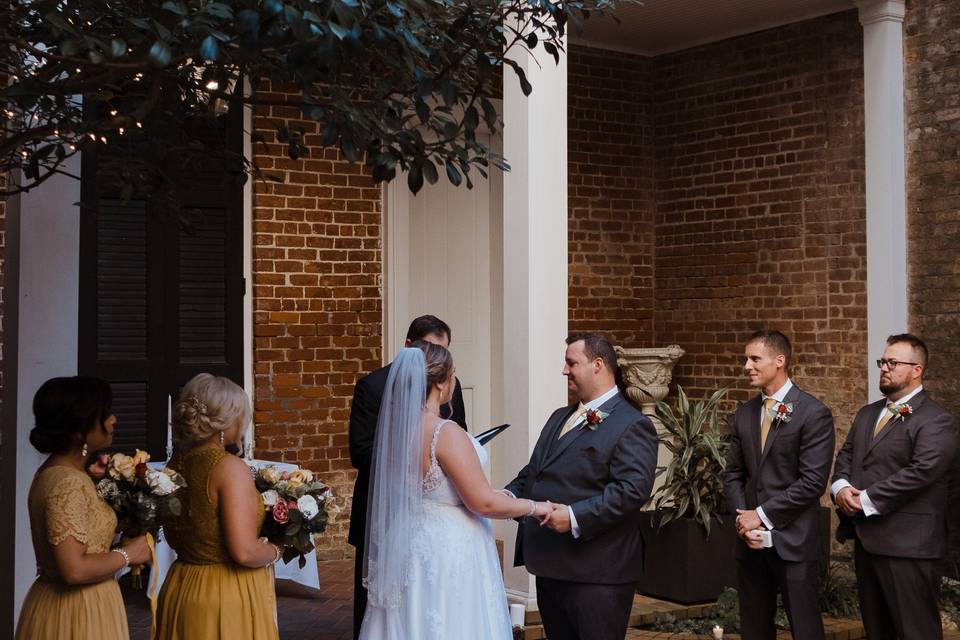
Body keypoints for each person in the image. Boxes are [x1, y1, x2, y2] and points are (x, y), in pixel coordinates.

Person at [358, 341, 550, 639]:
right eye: (453, 374)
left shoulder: (395, 432)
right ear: (438, 383)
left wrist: (506, 496)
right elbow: (481, 503)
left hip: (409, 541)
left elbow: (446, 492)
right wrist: (535, 507)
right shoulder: (445, 432)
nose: (454, 382)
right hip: (448, 550)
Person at [504, 333, 658, 640]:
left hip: (597, 572)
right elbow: (535, 472)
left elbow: (632, 490)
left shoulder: (632, 424)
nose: (565, 370)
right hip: (551, 564)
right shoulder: (560, 416)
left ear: (598, 365)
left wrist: (575, 516)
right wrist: (507, 496)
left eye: (572, 362)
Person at [348, 314, 467, 638]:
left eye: (443, 353)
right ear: (408, 346)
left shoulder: (448, 385)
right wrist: (412, 455)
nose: (437, 363)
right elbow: (361, 451)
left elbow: (461, 435)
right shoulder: (373, 386)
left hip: (434, 514)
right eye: (430, 350)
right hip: (383, 508)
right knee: (375, 599)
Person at [832, 333, 958, 640]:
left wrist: (867, 499)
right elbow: (846, 456)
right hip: (867, 542)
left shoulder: (936, 420)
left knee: (915, 633)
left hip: (909, 549)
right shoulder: (866, 414)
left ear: (917, 370)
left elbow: (923, 471)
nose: (884, 368)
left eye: (893, 362)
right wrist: (840, 488)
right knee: (878, 631)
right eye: (883, 361)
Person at [16, 376, 150, 640]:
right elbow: (73, 569)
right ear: (80, 431)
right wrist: (128, 554)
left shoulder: (60, 473)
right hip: (76, 612)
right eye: (106, 413)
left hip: (77, 603)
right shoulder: (68, 483)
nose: (114, 420)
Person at [723, 330, 835, 640]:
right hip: (749, 542)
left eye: (755, 358)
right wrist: (743, 518)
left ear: (780, 361)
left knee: (805, 627)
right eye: (746, 359)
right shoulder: (744, 414)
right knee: (754, 628)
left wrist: (761, 515)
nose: (747, 365)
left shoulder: (813, 413)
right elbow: (733, 473)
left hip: (794, 541)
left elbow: (813, 482)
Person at [153, 373, 281, 640]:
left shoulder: (174, 465)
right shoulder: (228, 468)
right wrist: (277, 550)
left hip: (181, 584)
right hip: (225, 592)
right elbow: (244, 552)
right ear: (227, 422)